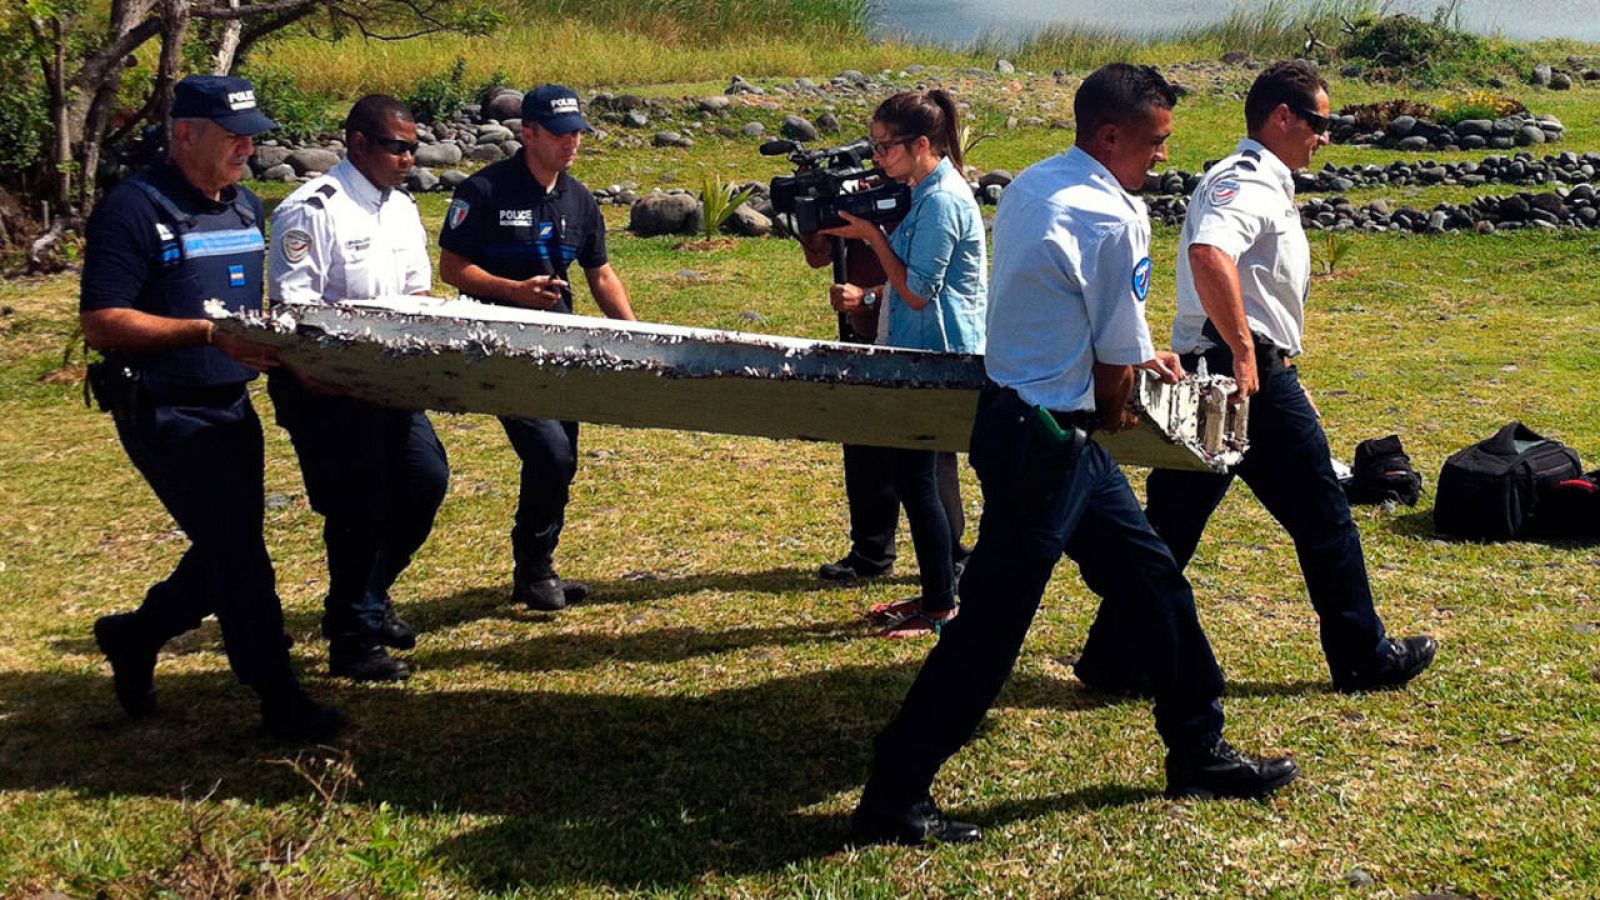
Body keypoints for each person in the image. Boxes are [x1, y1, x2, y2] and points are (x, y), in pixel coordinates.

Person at [849, 64, 1297, 847]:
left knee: (1155, 581)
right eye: (1156, 141)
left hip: (1023, 421)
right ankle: (895, 790)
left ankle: (1198, 746)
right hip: (1050, 440)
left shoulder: (1034, 182)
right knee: (991, 626)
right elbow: (1112, 379)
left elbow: (1068, 308)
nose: (1165, 155)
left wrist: (1124, 353)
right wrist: (1127, 383)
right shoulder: (1113, 218)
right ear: (1112, 135)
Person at [1073, 60, 1438, 696]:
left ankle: (1114, 658)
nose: (1325, 136)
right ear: (1282, 117)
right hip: (1241, 372)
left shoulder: (1268, 183)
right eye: (1319, 122)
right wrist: (1246, 352)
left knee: (1172, 525)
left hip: (1237, 366)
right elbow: (1210, 253)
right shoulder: (1245, 182)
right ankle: (1363, 654)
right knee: (1323, 515)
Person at [81, 75, 344, 740]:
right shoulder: (132, 210)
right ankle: (277, 695)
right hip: (164, 406)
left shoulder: (246, 208)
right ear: (186, 134)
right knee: (239, 554)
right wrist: (203, 335)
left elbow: (245, 312)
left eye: (252, 137)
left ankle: (135, 634)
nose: (247, 150)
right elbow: (102, 320)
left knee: (224, 547)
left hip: (231, 403)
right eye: (233, 137)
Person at [267, 94, 450, 682]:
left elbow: (416, 297)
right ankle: (351, 639)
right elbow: (295, 312)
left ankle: (368, 599)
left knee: (424, 482)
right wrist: (333, 375)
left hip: (391, 384)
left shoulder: (400, 209)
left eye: (414, 148)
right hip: (328, 387)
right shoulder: (312, 210)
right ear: (359, 144)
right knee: (358, 511)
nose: (407, 158)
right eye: (398, 147)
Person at [439, 84, 636, 611]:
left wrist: (639, 336)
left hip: (562, 347)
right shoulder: (483, 191)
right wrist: (515, 292)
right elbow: (452, 268)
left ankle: (535, 568)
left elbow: (601, 274)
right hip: (500, 348)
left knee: (563, 457)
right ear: (528, 133)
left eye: (578, 133)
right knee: (548, 453)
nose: (572, 143)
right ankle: (535, 568)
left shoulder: (579, 198)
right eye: (560, 134)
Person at [818, 89, 986, 638]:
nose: (878, 159)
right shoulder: (925, 189)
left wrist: (871, 236)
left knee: (917, 480)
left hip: (937, 354)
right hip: (918, 349)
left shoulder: (941, 200)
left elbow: (916, 290)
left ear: (921, 144)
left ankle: (941, 602)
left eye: (886, 147)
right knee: (913, 478)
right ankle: (939, 593)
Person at [798, 231, 971, 589]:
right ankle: (871, 553)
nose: (880, 170)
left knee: (929, 452)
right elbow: (819, 257)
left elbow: (927, 281)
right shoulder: (859, 192)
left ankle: (950, 555)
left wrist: (868, 296)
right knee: (863, 444)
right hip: (865, 336)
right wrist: (814, 233)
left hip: (914, 340)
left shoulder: (926, 199)